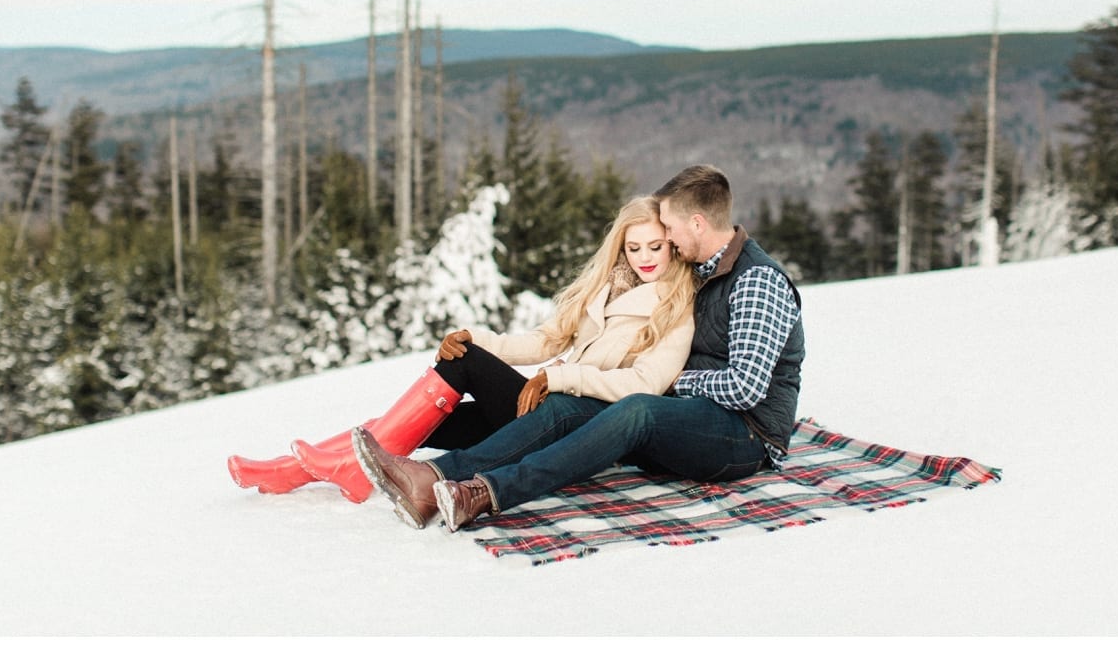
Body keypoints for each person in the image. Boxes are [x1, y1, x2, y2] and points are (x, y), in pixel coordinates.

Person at [354, 163, 806, 531]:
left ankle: (482, 492)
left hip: (747, 435)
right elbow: (553, 337)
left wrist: (675, 381)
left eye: (667, 229)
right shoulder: (701, 270)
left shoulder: (755, 281)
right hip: (683, 414)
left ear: (697, 223)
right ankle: (416, 467)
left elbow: (745, 389)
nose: (663, 240)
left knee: (638, 408)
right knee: (566, 407)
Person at [226, 195, 697, 503]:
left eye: (655, 246)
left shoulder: (676, 305)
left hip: (583, 421)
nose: (645, 258)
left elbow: (647, 384)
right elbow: (545, 340)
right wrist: (477, 338)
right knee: (436, 408)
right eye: (634, 248)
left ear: (673, 247)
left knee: (441, 395)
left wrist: (561, 377)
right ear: (620, 249)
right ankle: (291, 471)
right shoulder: (604, 287)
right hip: (544, 398)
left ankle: (334, 471)